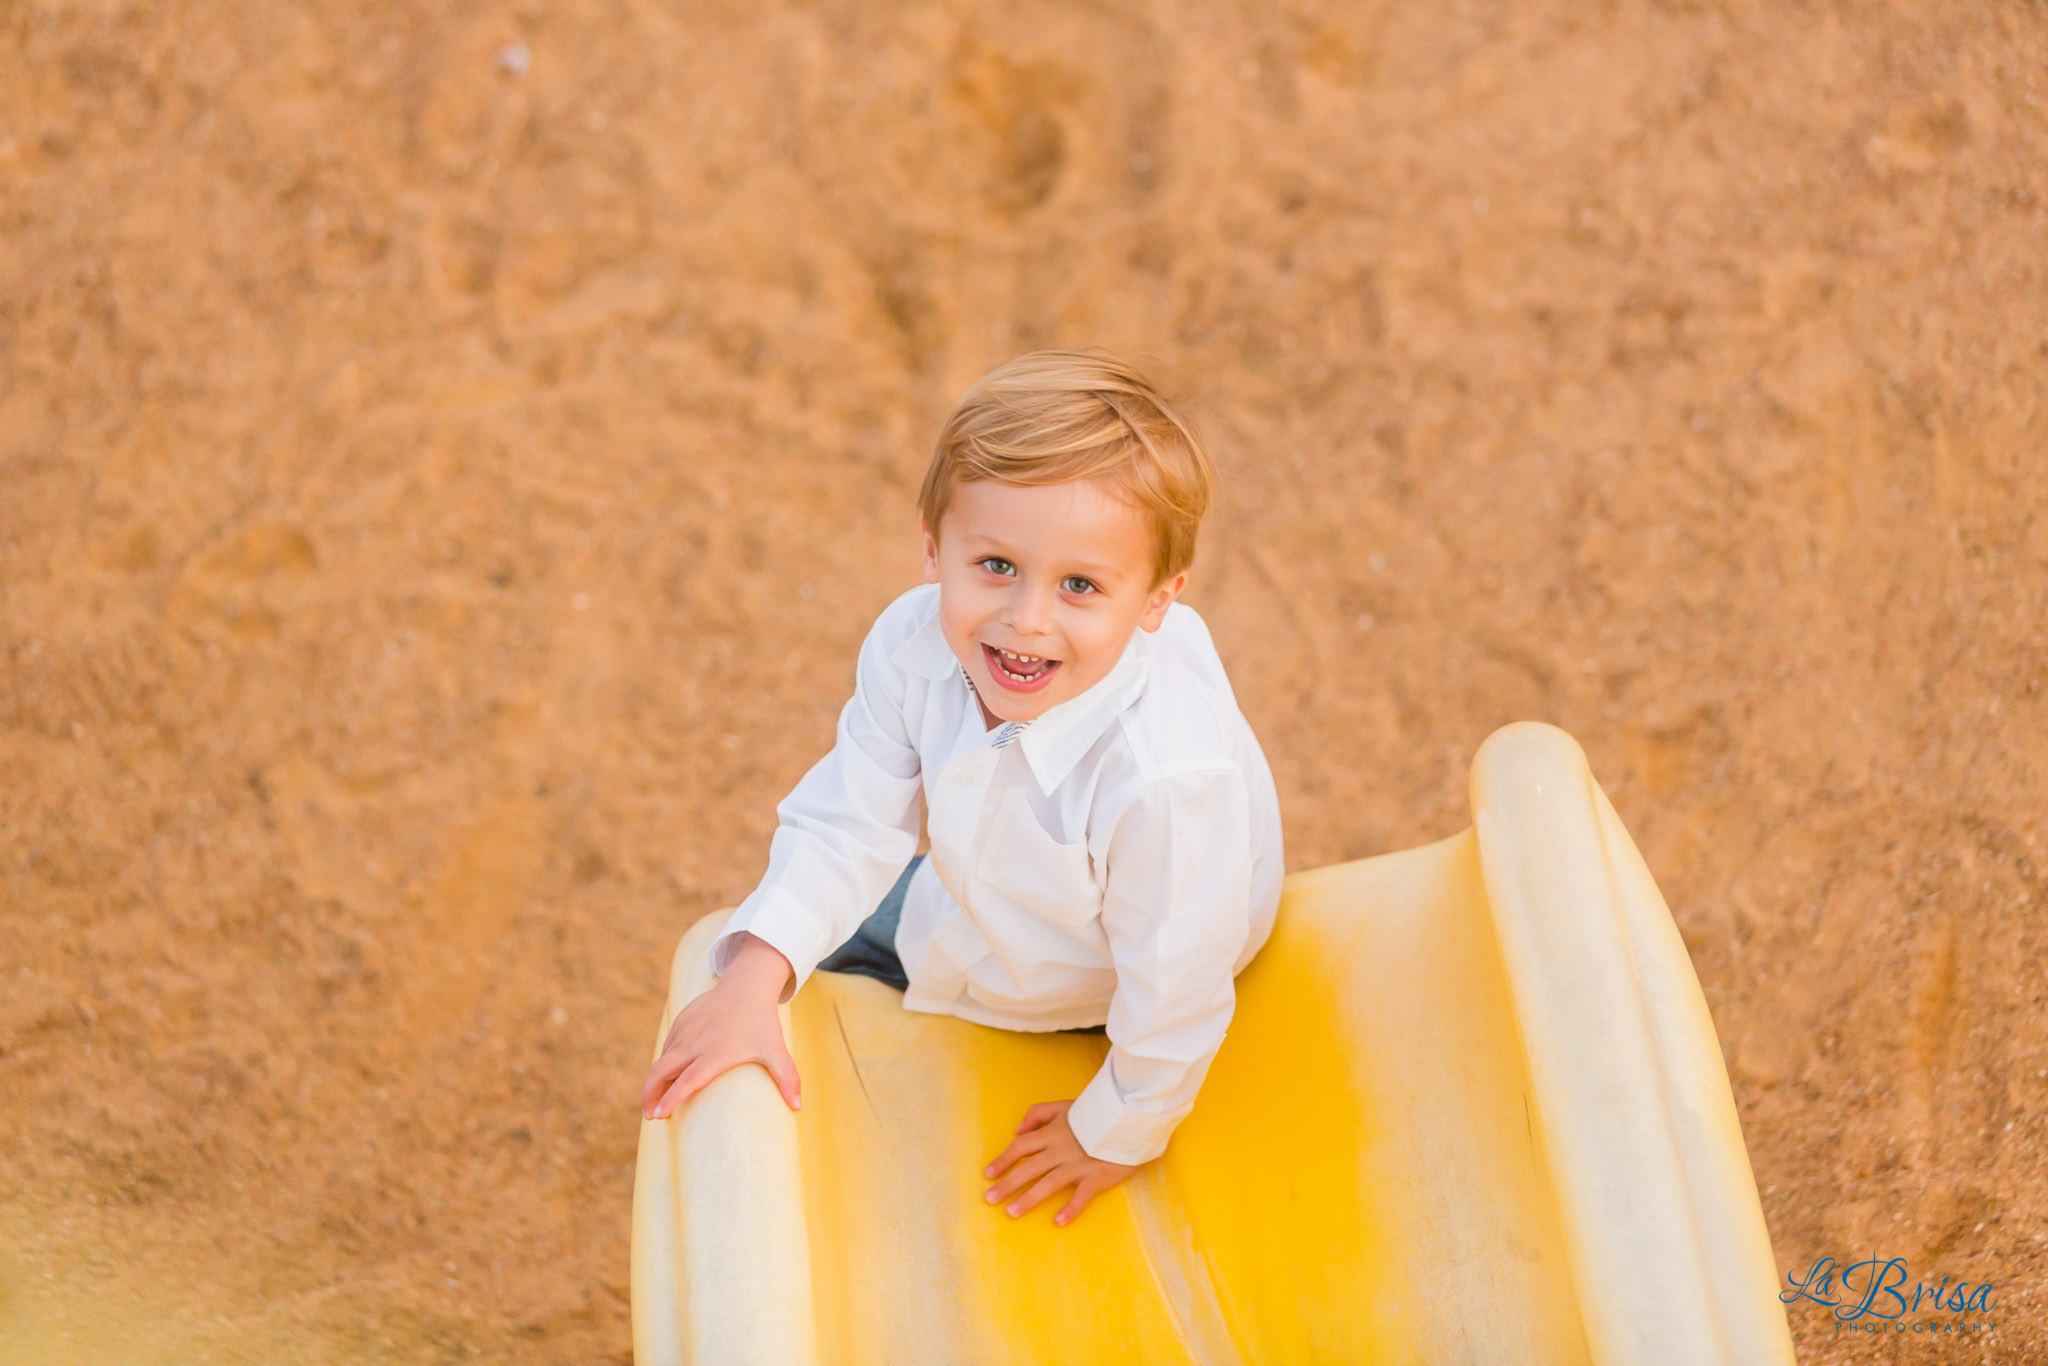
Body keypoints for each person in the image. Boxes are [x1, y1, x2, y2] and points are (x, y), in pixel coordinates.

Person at [638, 349, 1285, 1228]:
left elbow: (1178, 982)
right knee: (754, 947)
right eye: (995, 566)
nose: (1027, 619)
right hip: (988, 889)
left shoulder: (1166, 780)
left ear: (1155, 604)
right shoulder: (914, 644)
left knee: (930, 956)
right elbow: (852, 817)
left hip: (1092, 965)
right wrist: (755, 981)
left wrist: (1114, 1129)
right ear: (934, 548)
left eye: (1081, 586)